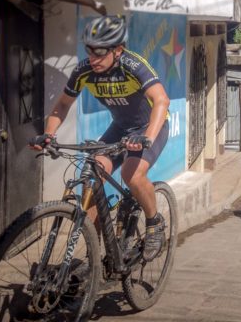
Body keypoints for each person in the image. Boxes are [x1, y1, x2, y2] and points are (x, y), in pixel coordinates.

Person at [29, 15, 170, 261]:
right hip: (121, 127)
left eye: (100, 53)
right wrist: (49, 135)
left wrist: (146, 137)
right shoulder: (84, 70)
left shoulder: (134, 65)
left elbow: (161, 100)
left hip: (150, 126)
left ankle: (154, 222)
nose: (93, 59)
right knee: (92, 174)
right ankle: (93, 257)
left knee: (131, 174)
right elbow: (61, 105)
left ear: (118, 50)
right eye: (89, 52)